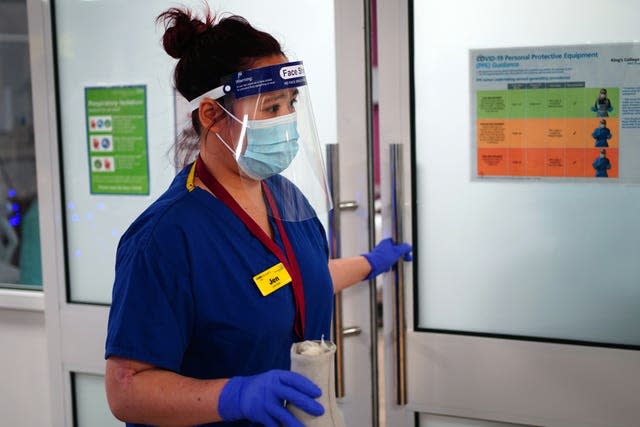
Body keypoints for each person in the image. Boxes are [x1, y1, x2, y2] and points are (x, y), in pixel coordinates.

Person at [104, 7, 412, 427]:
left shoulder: (286, 197)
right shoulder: (166, 237)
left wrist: (371, 263)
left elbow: (289, 279)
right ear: (212, 114)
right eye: (270, 107)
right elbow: (126, 389)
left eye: (290, 103)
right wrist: (231, 395)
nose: (286, 120)